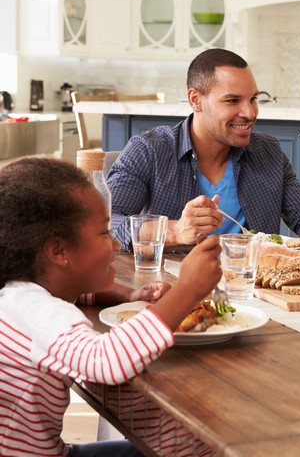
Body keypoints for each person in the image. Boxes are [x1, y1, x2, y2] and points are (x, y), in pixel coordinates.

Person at [0, 157, 222, 456]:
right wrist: (187, 290)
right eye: (105, 233)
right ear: (58, 250)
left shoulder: (19, 296)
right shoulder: (41, 313)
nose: (117, 245)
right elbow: (106, 361)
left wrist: (126, 296)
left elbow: (75, 295)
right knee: (192, 446)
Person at [108, 48, 300, 256]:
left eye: (253, 99)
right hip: (173, 292)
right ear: (195, 100)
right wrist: (175, 230)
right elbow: (106, 226)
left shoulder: (268, 152)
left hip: (253, 289)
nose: (250, 112)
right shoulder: (149, 150)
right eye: (232, 101)